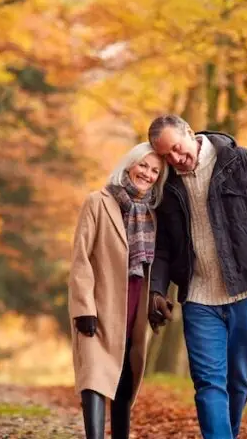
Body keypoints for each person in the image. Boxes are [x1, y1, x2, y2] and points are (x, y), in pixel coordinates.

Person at [146, 115, 247, 439]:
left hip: (244, 290)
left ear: (189, 132)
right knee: (208, 381)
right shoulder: (167, 187)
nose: (174, 159)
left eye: (176, 149)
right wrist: (156, 289)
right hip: (198, 296)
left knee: (239, 378)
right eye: (165, 156)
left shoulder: (240, 162)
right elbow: (162, 247)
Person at [69, 143, 167, 439]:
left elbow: (157, 264)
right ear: (129, 165)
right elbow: (81, 258)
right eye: (143, 166)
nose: (147, 174)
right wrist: (84, 307)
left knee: (125, 376)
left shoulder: (154, 213)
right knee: (95, 375)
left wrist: (156, 299)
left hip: (135, 301)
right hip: (101, 302)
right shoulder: (97, 202)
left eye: (155, 171)